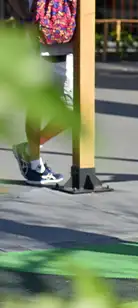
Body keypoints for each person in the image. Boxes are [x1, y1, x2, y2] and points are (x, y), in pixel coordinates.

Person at [8, 0, 73, 186]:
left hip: (68, 44)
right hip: (38, 43)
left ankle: (28, 149)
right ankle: (35, 164)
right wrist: (26, 17)